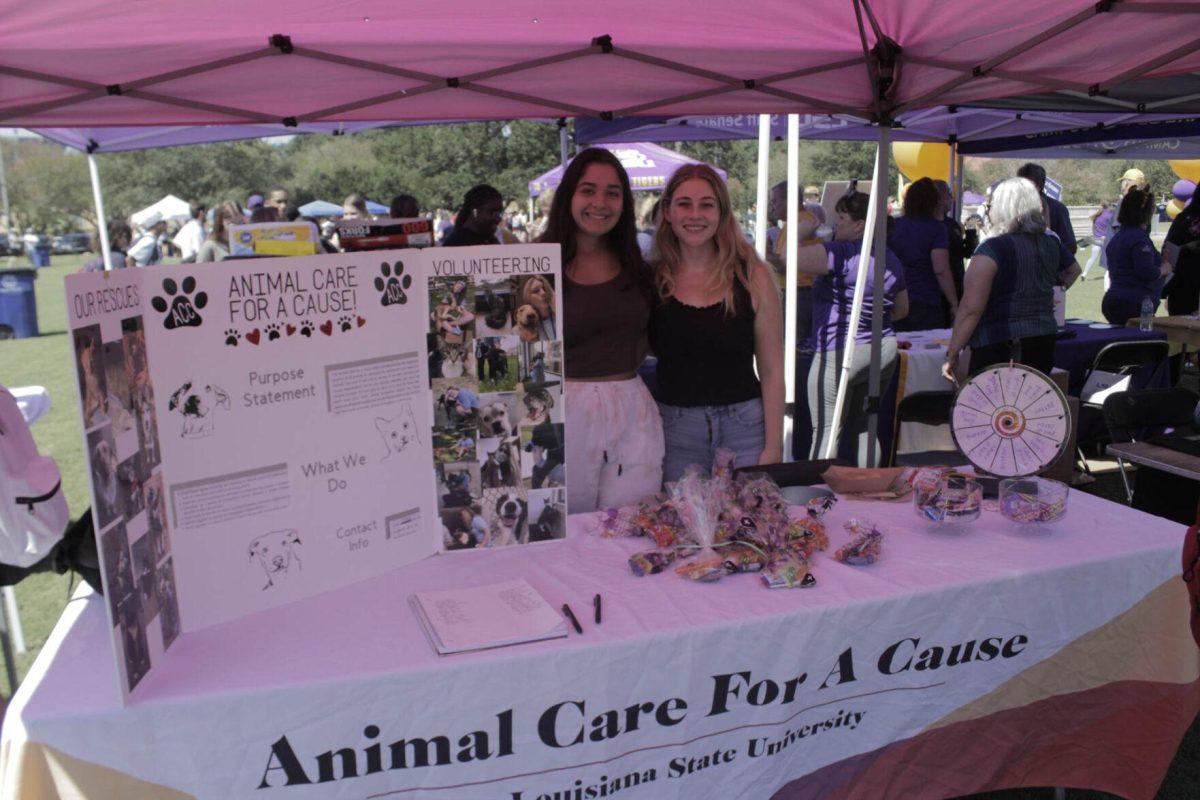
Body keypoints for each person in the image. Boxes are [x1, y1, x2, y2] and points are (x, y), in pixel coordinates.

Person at [536, 147, 663, 512]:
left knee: (628, 531)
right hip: (558, 412)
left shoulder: (640, 268)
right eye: (588, 190)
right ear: (569, 196)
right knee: (560, 532)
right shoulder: (532, 266)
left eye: (612, 192)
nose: (600, 203)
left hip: (632, 414)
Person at [649, 163, 784, 481]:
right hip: (675, 434)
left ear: (722, 213)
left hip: (746, 431)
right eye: (684, 204)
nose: (695, 214)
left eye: (706, 204)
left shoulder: (753, 275)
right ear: (668, 211)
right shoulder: (651, 279)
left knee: (749, 528)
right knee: (684, 529)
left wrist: (774, 448)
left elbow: (772, 370)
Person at [794, 192, 909, 465]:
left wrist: (802, 228)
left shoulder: (841, 254)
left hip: (839, 350)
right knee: (865, 430)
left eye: (842, 218)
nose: (836, 224)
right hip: (882, 349)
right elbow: (902, 309)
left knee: (825, 431)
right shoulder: (889, 258)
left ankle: (820, 497)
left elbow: (790, 258)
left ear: (860, 224)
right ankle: (869, 493)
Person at [942, 178, 1081, 382]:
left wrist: (952, 352)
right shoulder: (1051, 243)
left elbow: (971, 308)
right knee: (1026, 407)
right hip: (1043, 340)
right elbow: (1074, 270)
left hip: (1000, 342)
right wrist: (1049, 291)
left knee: (995, 409)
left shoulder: (992, 249)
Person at [891, 177, 955, 330]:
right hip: (926, 299)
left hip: (896, 297)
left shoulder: (894, 225)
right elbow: (941, 270)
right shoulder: (937, 229)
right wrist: (954, 303)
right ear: (934, 201)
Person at [1102, 189, 1166, 325]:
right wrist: (1164, 269)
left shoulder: (1118, 237)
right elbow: (1146, 271)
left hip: (1115, 298)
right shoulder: (1138, 239)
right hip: (1135, 302)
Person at [1017, 163, 1076, 254]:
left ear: (1037, 185)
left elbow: (1070, 246)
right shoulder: (1014, 207)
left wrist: (1051, 259)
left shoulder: (1057, 208)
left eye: (1023, 184)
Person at [1164, 188, 1200, 317]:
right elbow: (1168, 250)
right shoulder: (1183, 219)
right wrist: (1186, 247)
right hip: (1183, 284)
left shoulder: (1182, 218)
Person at [933, 180, 966, 305]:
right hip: (939, 290)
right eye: (948, 194)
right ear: (940, 198)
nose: (951, 198)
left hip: (957, 283)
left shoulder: (952, 224)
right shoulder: (930, 226)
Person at [1080, 201, 1113, 280]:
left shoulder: (1097, 215)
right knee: (1108, 258)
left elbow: (1093, 228)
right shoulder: (1109, 215)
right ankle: (1108, 275)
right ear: (1108, 207)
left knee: (1092, 258)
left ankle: (1084, 273)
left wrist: (1095, 236)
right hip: (1105, 239)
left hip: (1096, 239)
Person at [518, 274, 557, 339]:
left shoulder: (558, 314)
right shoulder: (530, 326)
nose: (543, 293)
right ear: (528, 298)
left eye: (544, 288)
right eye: (536, 291)